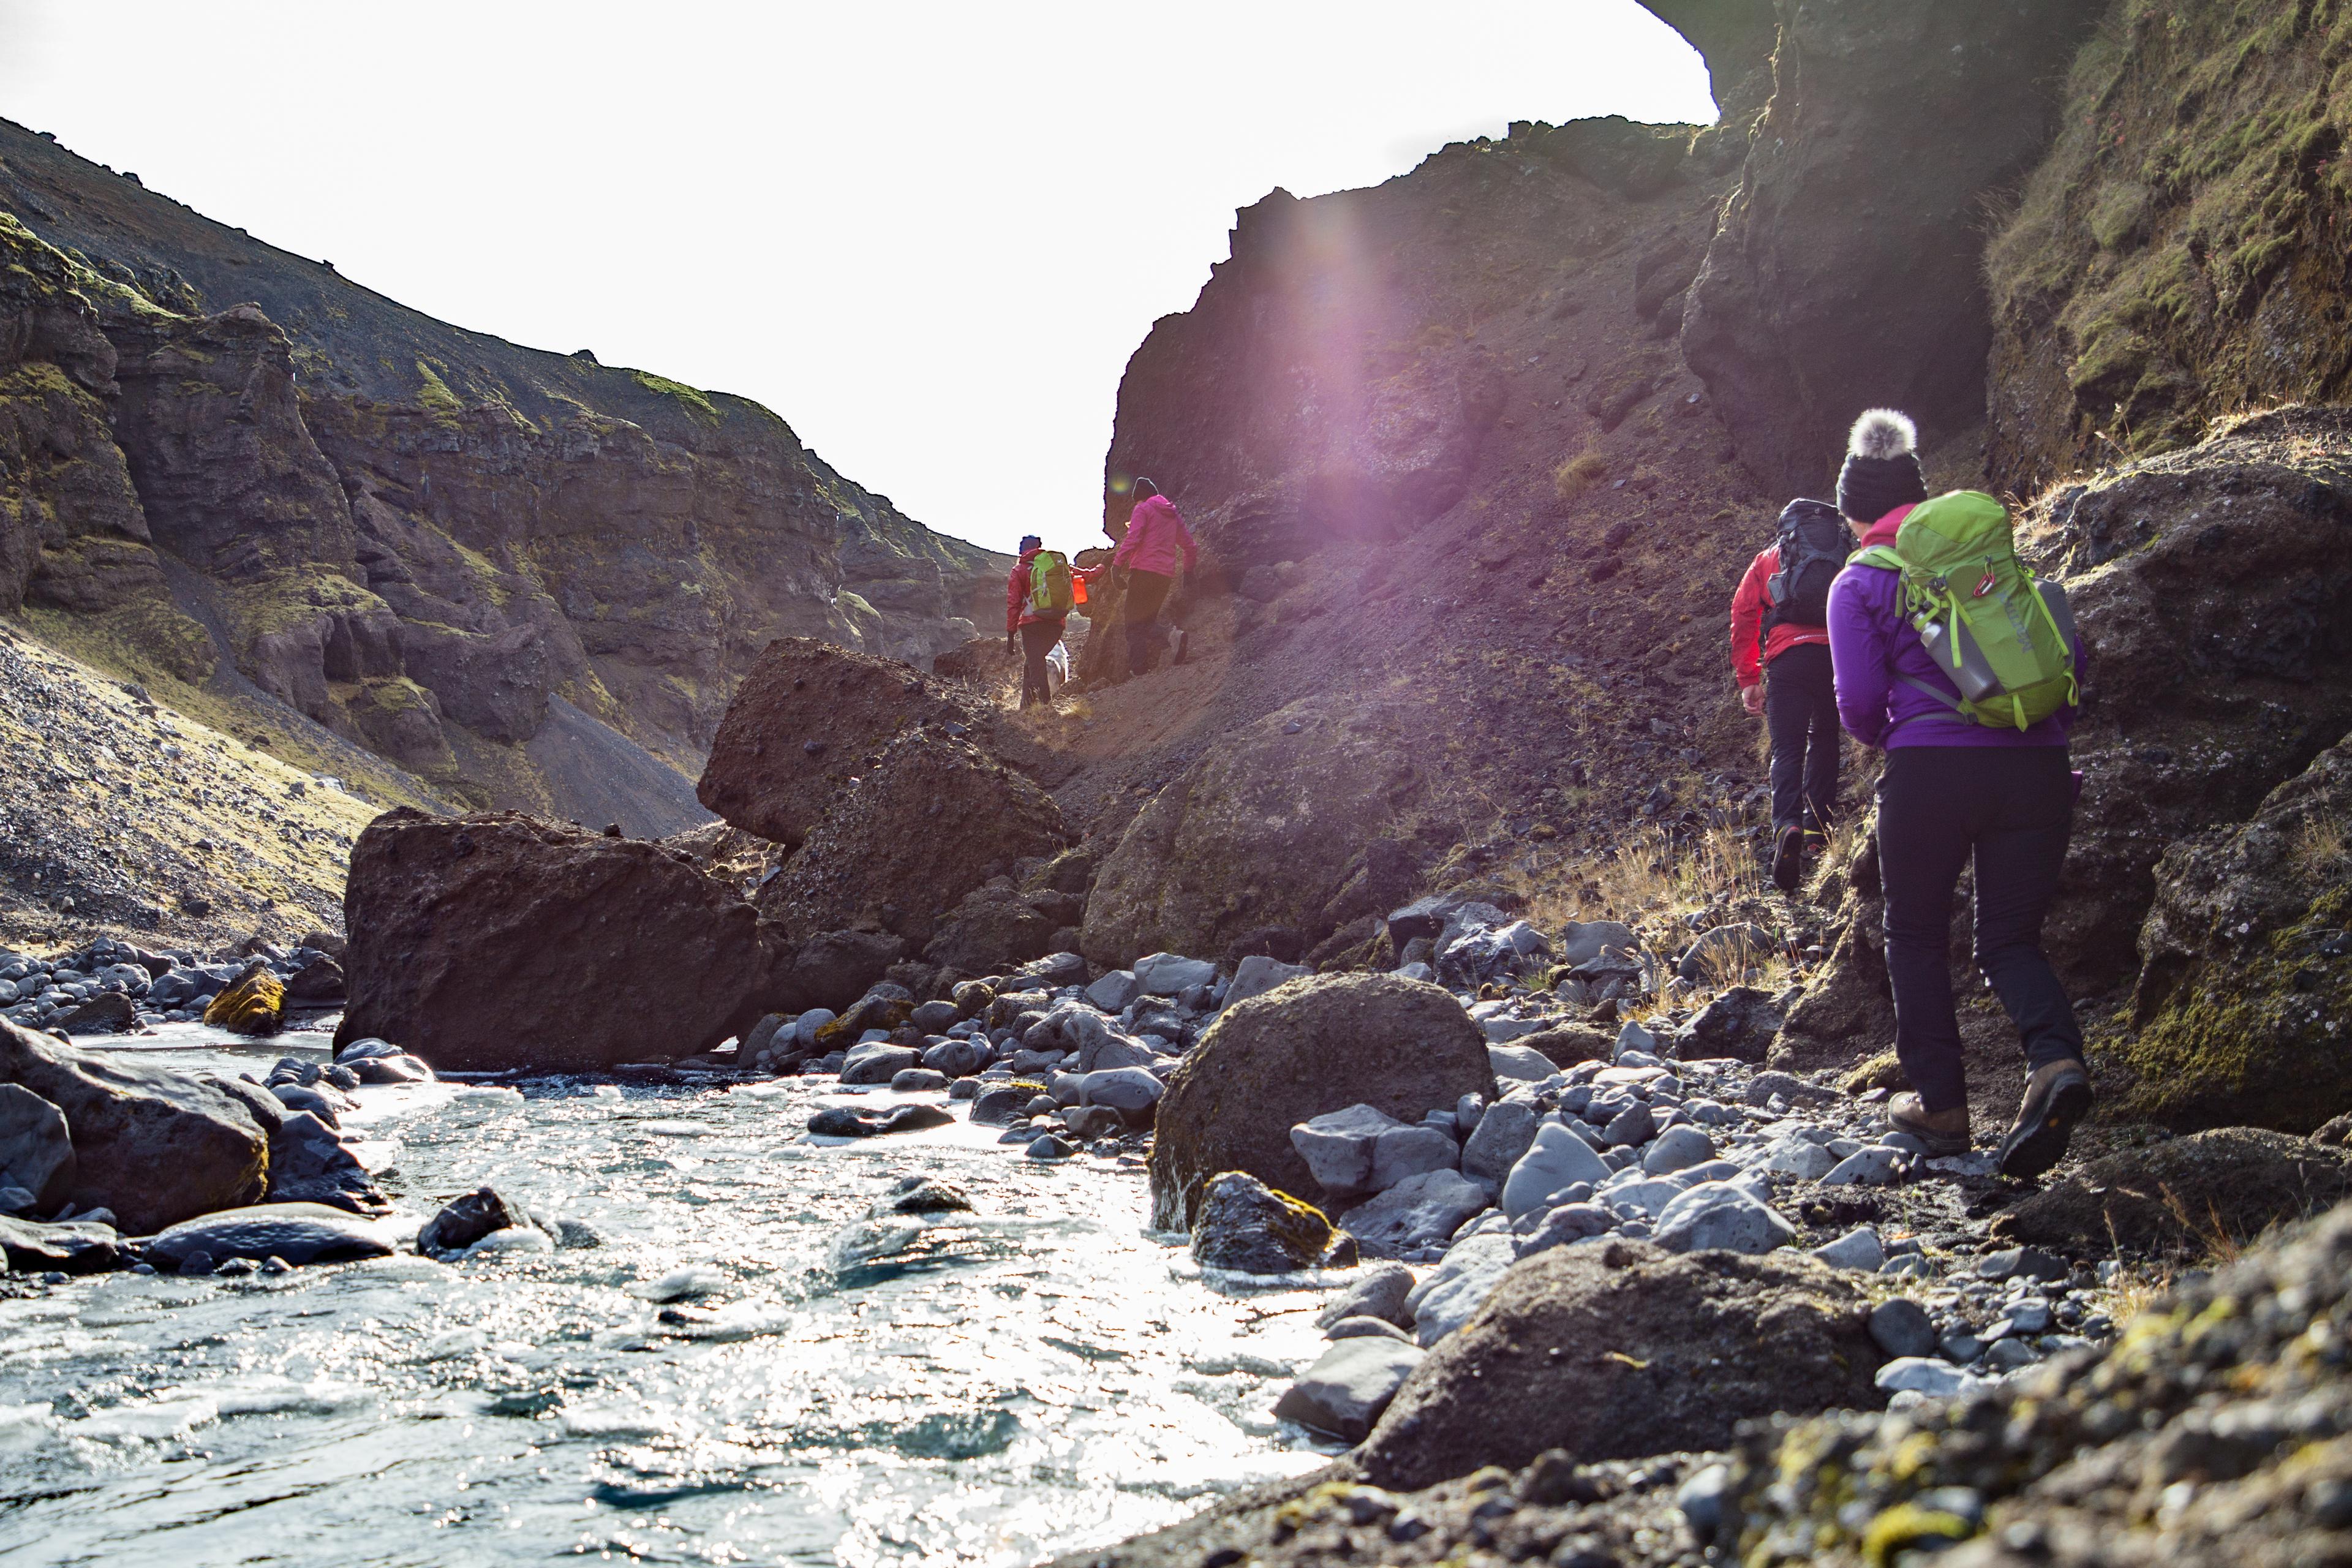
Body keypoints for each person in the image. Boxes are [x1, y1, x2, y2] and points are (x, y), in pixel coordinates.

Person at [1825, 408, 2092, 1180]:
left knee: (1913, 933)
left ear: (1854, 512)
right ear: (1923, 497)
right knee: (2010, 938)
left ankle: (1941, 1106)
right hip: (2038, 764)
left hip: (1932, 772)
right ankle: (2055, 1060)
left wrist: (1904, 734)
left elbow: (1859, 708)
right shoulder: (1988, 563)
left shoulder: (1860, 581)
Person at [1730, 498, 1847, 892]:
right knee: (1826, 739)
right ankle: (1817, 832)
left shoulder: (1770, 558)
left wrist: (1749, 678)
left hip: (1787, 661)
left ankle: (1787, 827)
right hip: (1836, 656)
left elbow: (1744, 612)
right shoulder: (1845, 551)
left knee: (1787, 748)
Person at [1109, 477, 1197, 677]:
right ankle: (1173, 636)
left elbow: (1134, 537)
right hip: (1164, 576)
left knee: (1133, 624)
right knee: (1147, 623)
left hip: (1143, 573)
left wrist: (1117, 565)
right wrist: (1188, 572)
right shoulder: (1172, 514)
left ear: (1140, 498)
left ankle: (1139, 671)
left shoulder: (1143, 509)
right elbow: (1190, 546)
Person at [1005, 535, 1068, 710]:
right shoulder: (1053, 566)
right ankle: (1026, 706)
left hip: (1032, 624)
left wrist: (1011, 634)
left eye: (1021, 546)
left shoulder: (1019, 570)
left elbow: (1014, 603)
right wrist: (1101, 568)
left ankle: (1046, 709)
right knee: (1031, 664)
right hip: (1056, 623)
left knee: (1036, 663)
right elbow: (1081, 574)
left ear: (1024, 549)